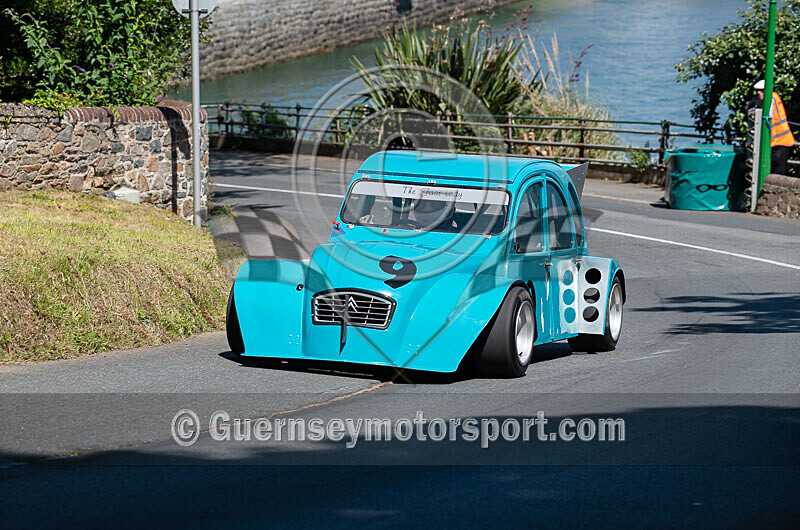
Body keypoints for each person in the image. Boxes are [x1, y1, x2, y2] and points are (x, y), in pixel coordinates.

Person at [751, 80, 795, 176]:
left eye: (762, 90)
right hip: (775, 142)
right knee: (772, 169)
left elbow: (765, 108)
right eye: (757, 90)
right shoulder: (768, 99)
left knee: (778, 172)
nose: (759, 93)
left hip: (782, 142)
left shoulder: (772, 98)